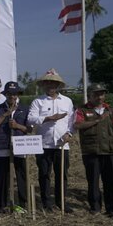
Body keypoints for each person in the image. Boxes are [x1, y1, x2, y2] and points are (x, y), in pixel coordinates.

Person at [27, 68, 74, 213]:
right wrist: (49, 118)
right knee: (44, 174)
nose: (51, 86)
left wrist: (69, 134)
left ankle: (61, 203)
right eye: (48, 83)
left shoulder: (67, 101)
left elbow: (72, 122)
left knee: (62, 175)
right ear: (44, 85)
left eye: (54, 84)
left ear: (58, 85)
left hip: (62, 145)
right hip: (43, 144)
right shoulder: (38, 101)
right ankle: (46, 203)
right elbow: (30, 120)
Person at [73, 84, 113, 218]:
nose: (100, 97)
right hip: (91, 151)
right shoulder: (82, 110)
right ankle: (95, 207)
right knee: (93, 181)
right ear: (90, 96)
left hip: (109, 151)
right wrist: (97, 120)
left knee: (110, 181)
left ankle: (111, 208)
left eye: (102, 94)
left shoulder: (110, 110)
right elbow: (78, 125)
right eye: (96, 94)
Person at [0, 81, 29, 213]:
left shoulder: (25, 109)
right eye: (9, 94)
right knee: (2, 176)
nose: (12, 96)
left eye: (14, 94)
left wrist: (17, 126)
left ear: (18, 95)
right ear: (5, 95)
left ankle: (23, 203)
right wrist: (5, 114)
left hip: (20, 146)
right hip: (3, 146)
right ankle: (2, 203)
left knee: (21, 175)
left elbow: (30, 129)